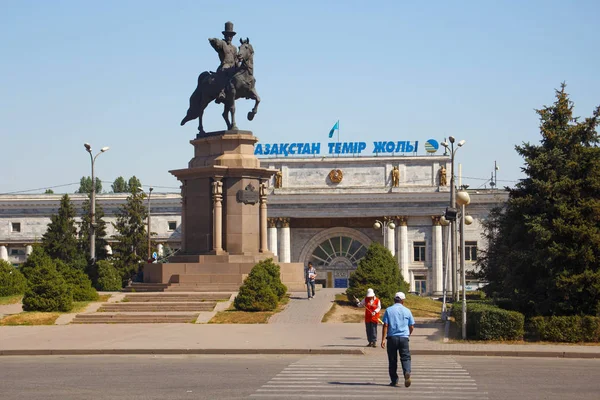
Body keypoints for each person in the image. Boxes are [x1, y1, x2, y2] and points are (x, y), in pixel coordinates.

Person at [381, 291, 415, 388]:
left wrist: (383, 340)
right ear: (403, 301)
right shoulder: (407, 311)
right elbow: (411, 326)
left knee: (392, 360)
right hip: (404, 338)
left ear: (394, 299)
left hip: (391, 338)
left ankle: (394, 380)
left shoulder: (388, 310)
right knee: (405, 357)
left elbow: (385, 325)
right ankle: (407, 372)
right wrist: (408, 334)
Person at [209, 21, 239, 104]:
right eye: (228, 35)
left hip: (233, 66)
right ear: (225, 35)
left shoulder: (234, 48)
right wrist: (214, 41)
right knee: (223, 73)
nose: (229, 37)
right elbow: (217, 44)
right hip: (225, 65)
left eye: (231, 36)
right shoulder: (222, 43)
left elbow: (236, 59)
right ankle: (221, 92)